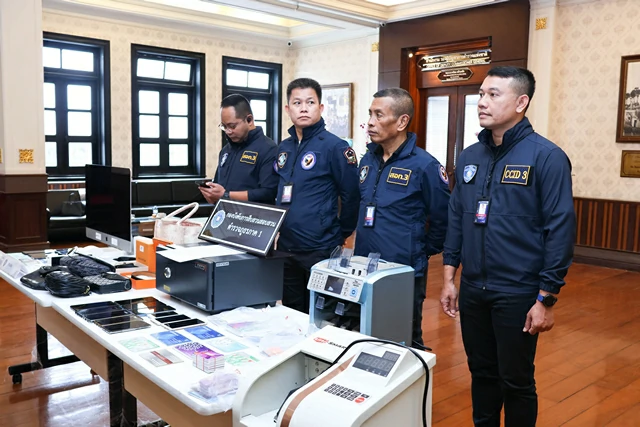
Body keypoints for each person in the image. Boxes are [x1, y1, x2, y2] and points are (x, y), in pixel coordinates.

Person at [440, 66, 575, 427]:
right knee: (481, 374)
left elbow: (560, 230)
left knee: (516, 381)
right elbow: (457, 218)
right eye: (481, 94)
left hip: (517, 291)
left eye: (493, 94)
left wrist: (546, 298)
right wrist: (450, 278)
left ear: (521, 102)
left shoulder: (546, 157)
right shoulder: (469, 157)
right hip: (473, 288)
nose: (482, 102)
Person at [354, 88, 450, 348]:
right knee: (365, 335)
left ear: (401, 122)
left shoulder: (425, 165)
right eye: (370, 114)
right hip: (364, 264)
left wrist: (420, 248)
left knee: (404, 340)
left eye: (378, 115)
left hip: (402, 269)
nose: (370, 122)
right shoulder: (367, 160)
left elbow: (443, 217)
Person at [275, 78, 359, 314]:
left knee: (321, 314)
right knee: (291, 313)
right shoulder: (284, 147)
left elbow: (351, 195)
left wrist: (341, 232)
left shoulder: (335, 147)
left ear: (321, 107)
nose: (303, 108)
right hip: (286, 245)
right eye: (297, 103)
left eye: (310, 102)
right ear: (287, 109)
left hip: (320, 247)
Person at [199, 94, 278, 204]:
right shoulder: (225, 151)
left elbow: (268, 192)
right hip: (223, 213)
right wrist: (211, 194)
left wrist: (226, 195)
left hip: (253, 214)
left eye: (232, 126)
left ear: (249, 120)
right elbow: (218, 188)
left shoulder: (268, 149)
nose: (228, 131)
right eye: (224, 126)